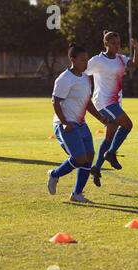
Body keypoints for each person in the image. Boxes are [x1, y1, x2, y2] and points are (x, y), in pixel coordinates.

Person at [48, 43, 109, 203]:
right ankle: (54, 174)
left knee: (89, 157)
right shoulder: (64, 79)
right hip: (66, 125)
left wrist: (100, 118)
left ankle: (77, 194)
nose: (86, 63)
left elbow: (87, 103)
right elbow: (55, 102)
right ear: (72, 60)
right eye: (82, 60)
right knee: (80, 159)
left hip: (81, 124)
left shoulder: (85, 78)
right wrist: (65, 122)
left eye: (87, 60)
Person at [86, 30, 138, 187]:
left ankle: (96, 168)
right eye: (114, 43)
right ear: (106, 44)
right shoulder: (97, 60)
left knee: (109, 137)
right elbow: (82, 70)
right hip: (103, 103)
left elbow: (135, 65)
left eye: (119, 43)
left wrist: (136, 48)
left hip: (115, 103)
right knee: (128, 125)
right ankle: (111, 153)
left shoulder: (121, 59)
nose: (117, 46)